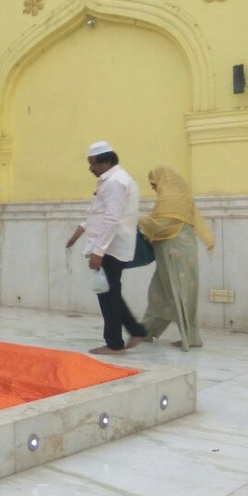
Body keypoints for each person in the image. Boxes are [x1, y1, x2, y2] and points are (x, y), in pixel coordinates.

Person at [66, 141, 148, 354]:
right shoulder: (112, 181)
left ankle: (114, 344)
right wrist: (80, 232)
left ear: (107, 161)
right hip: (109, 244)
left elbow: (112, 219)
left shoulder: (115, 183)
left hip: (111, 247)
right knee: (110, 293)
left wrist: (98, 251)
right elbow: (100, 214)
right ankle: (136, 330)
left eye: (93, 163)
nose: (90, 168)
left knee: (108, 296)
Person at [138, 166, 215, 351]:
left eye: (154, 184)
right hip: (180, 253)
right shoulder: (181, 199)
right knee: (160, 292)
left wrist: (135, 219)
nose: (154, 189)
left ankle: (190, 338)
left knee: (176, 292)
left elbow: (161, 226)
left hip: (174, 253)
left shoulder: (170, 201)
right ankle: (146, 331)